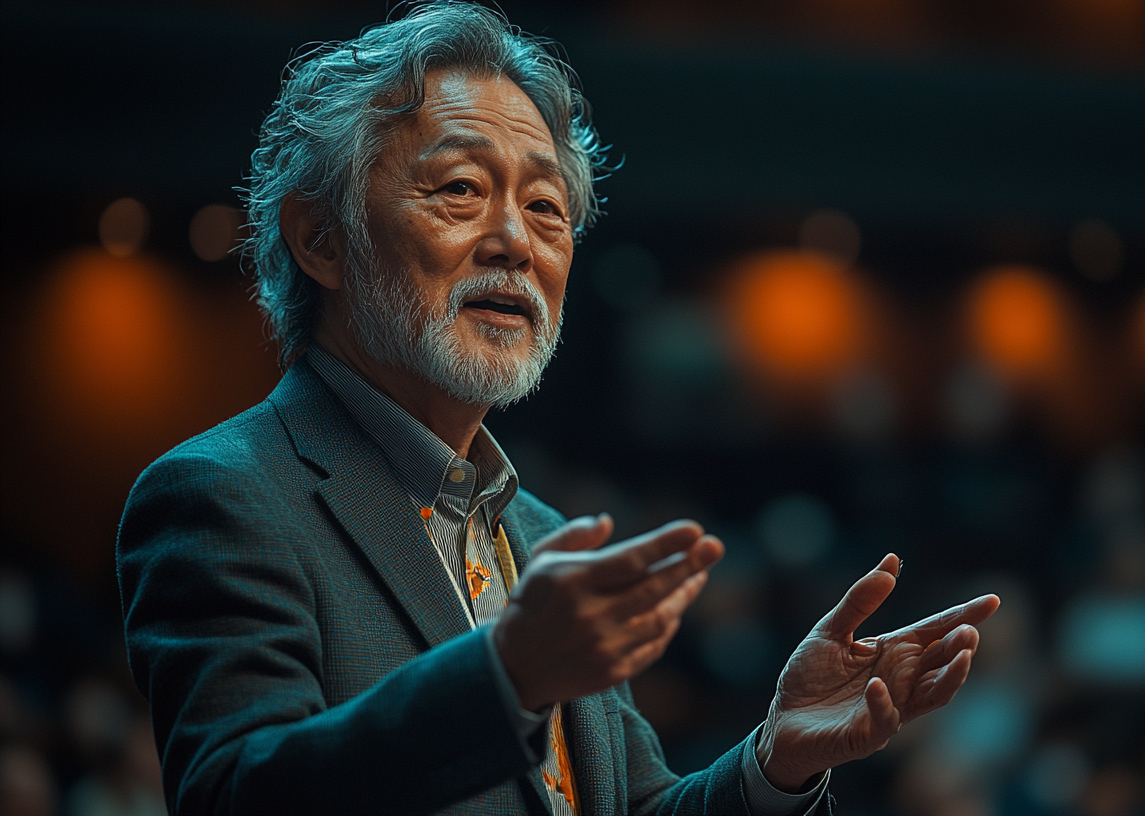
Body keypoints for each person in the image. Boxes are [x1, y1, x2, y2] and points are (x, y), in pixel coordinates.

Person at [116, 3, 999, 814]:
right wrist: (502, 679)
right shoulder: (224, 496)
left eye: (546, 207)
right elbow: (234, 797)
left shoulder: (540, 532)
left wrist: (774, 761)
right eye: (460, 189)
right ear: (321, 239)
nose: (514, 240)